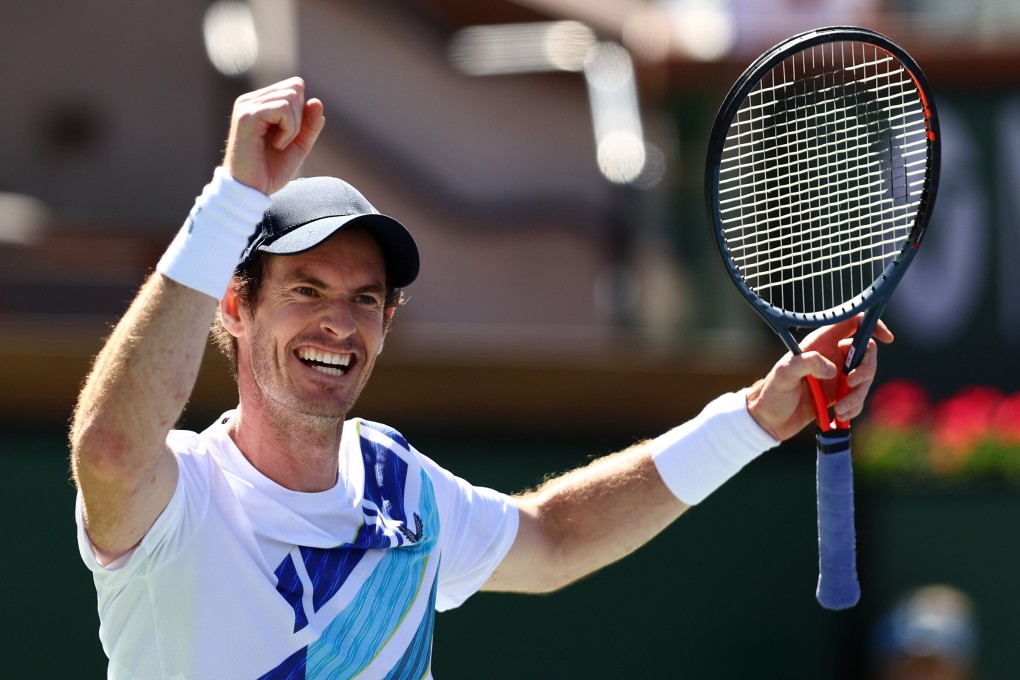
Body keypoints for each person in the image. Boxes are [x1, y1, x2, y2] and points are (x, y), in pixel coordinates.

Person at [70, 77, 891, 679]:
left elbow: (557, 538)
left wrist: (750, 418)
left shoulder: (404, 491)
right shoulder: (179, 499)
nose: (339, 323)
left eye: (365, 299)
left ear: (388, 325)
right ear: (235, 310)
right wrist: (234, 199)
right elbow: (108, 449)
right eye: (306, 292)